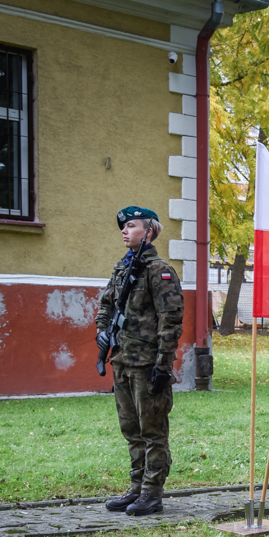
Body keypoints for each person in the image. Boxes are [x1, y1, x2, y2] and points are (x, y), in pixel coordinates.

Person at [96, 207, 184, 516]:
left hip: (148, 365)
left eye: (131, 226)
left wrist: (163, 365)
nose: (124, 230)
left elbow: (171, 320)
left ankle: (151, 493)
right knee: (131, 430)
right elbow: (106, 303)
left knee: (153, 431)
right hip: (122, 361)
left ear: (148, 231)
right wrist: (102, 332)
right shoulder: (123, 268)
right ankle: (136, 488)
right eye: (123, 226)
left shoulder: (159, 270)